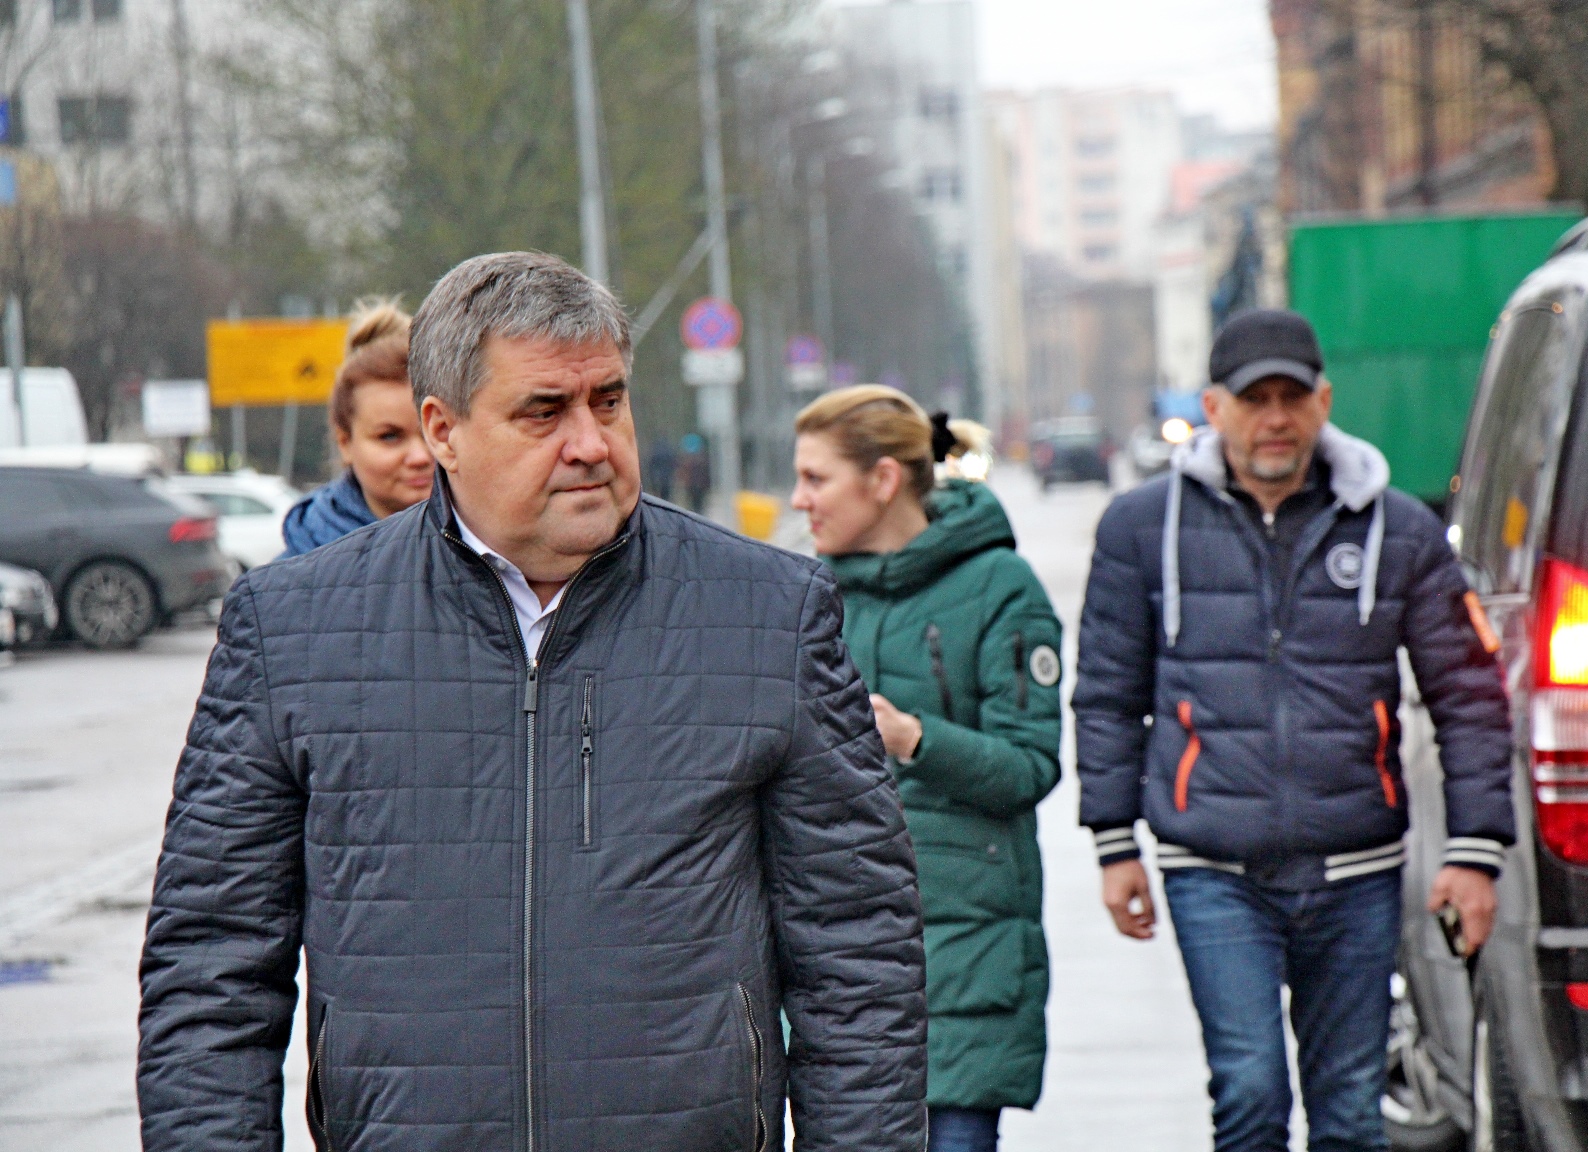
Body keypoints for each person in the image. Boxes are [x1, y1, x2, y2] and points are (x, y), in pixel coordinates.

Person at [138, 253, 927, 1151]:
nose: (591, 442)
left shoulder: (773, 616)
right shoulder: (290, 629)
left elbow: (859, 955)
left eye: (608, 401)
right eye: (543, 412)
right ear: (443, 430)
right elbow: (210, 969)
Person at [1073, 309, 1514, 1152]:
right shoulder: (1141, 529)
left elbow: (1468, 693)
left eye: (1292, 397)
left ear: (1324, 402)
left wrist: (1475, 851)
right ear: (1213, 407)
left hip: (1357, 870)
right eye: (1254, 400)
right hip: (1213, 867)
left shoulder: (1399, 531)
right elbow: (1107, 693)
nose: (1274, 418)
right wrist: (1113, 841)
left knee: (1348, 1112)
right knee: (1249, 1092)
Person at [792, 386, 1062, 1152]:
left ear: (882, 480)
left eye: (816, 479)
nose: (798, 499)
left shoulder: (1000, 587)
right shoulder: (800, 594)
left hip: (969, 950)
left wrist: (911, 738)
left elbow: (1029, 766)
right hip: (836, 956)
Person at [279, 299, 434, 557]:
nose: (420, 457)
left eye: (435, 430)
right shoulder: (295, 573)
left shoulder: (497, 554)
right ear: (345, 442)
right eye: (390, 436)